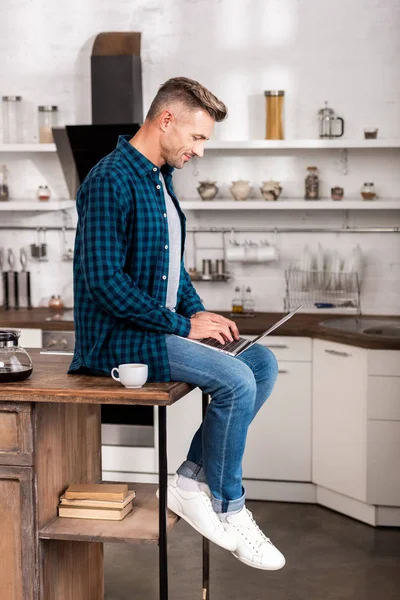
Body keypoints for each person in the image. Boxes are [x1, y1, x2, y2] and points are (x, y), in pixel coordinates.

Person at [69, 77, 285, 571]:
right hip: (118, 342)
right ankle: (229, 508)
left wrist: (197, 314)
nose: (200, 151)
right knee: (233, 378)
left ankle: (189, 480)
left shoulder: (159, 179)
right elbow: (104, 281)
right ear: (166, 120)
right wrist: (179, 325)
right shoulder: (109, 179)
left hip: (159, 330)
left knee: (261, 361)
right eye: (197, 137)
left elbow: (170, 269)